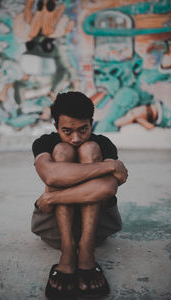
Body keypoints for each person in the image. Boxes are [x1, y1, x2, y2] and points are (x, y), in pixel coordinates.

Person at [31, 91, 128, 299]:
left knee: (90, 148)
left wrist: (53, 198)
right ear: (56, 126)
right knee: (62, 151)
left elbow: (108, 189)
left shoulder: (103, 143)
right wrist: (109, 166)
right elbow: (52, 176)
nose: (76, 138)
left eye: (83, 129)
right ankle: (67, 250)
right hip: (54, 230)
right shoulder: (44, 142)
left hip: (98, 230)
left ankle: (85, 250)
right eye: (67, 130)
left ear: (91, 123)